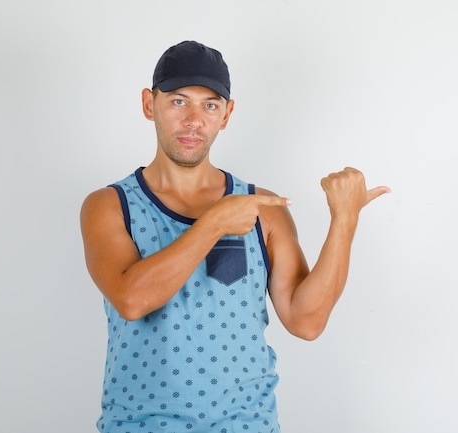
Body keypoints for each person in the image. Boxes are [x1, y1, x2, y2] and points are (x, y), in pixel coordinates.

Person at [80, 40, 390, 433]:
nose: (194, 119)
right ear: (148, 104)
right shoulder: (109, 205)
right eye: (178, 102)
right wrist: (214, 223)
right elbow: (132, 300)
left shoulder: (262, 208)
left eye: (210, 105)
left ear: (226, 115)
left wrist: (343, 221)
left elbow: (306, 321)